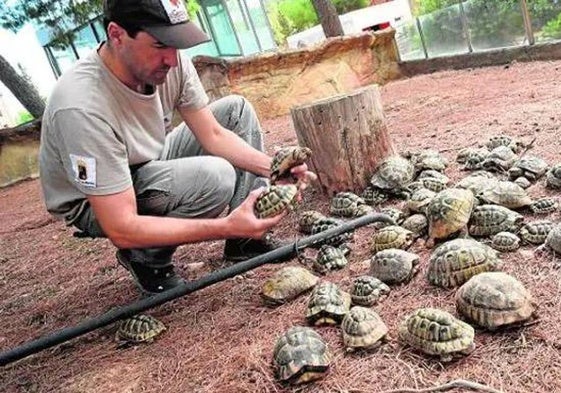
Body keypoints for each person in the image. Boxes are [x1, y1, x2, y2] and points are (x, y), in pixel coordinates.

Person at [38, 0, 314, 296]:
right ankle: (148, 259)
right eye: (160, 45)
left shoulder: (171, 63)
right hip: (96, 201)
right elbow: (121, 226)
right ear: (117, 35)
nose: (172, 58)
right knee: (215, 177)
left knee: (236, 110)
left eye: (177, 43)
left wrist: (275, 168)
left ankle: (245, 242)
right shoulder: (80, 107)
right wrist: (227, 226)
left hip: (145, 161)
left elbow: (214, 134)